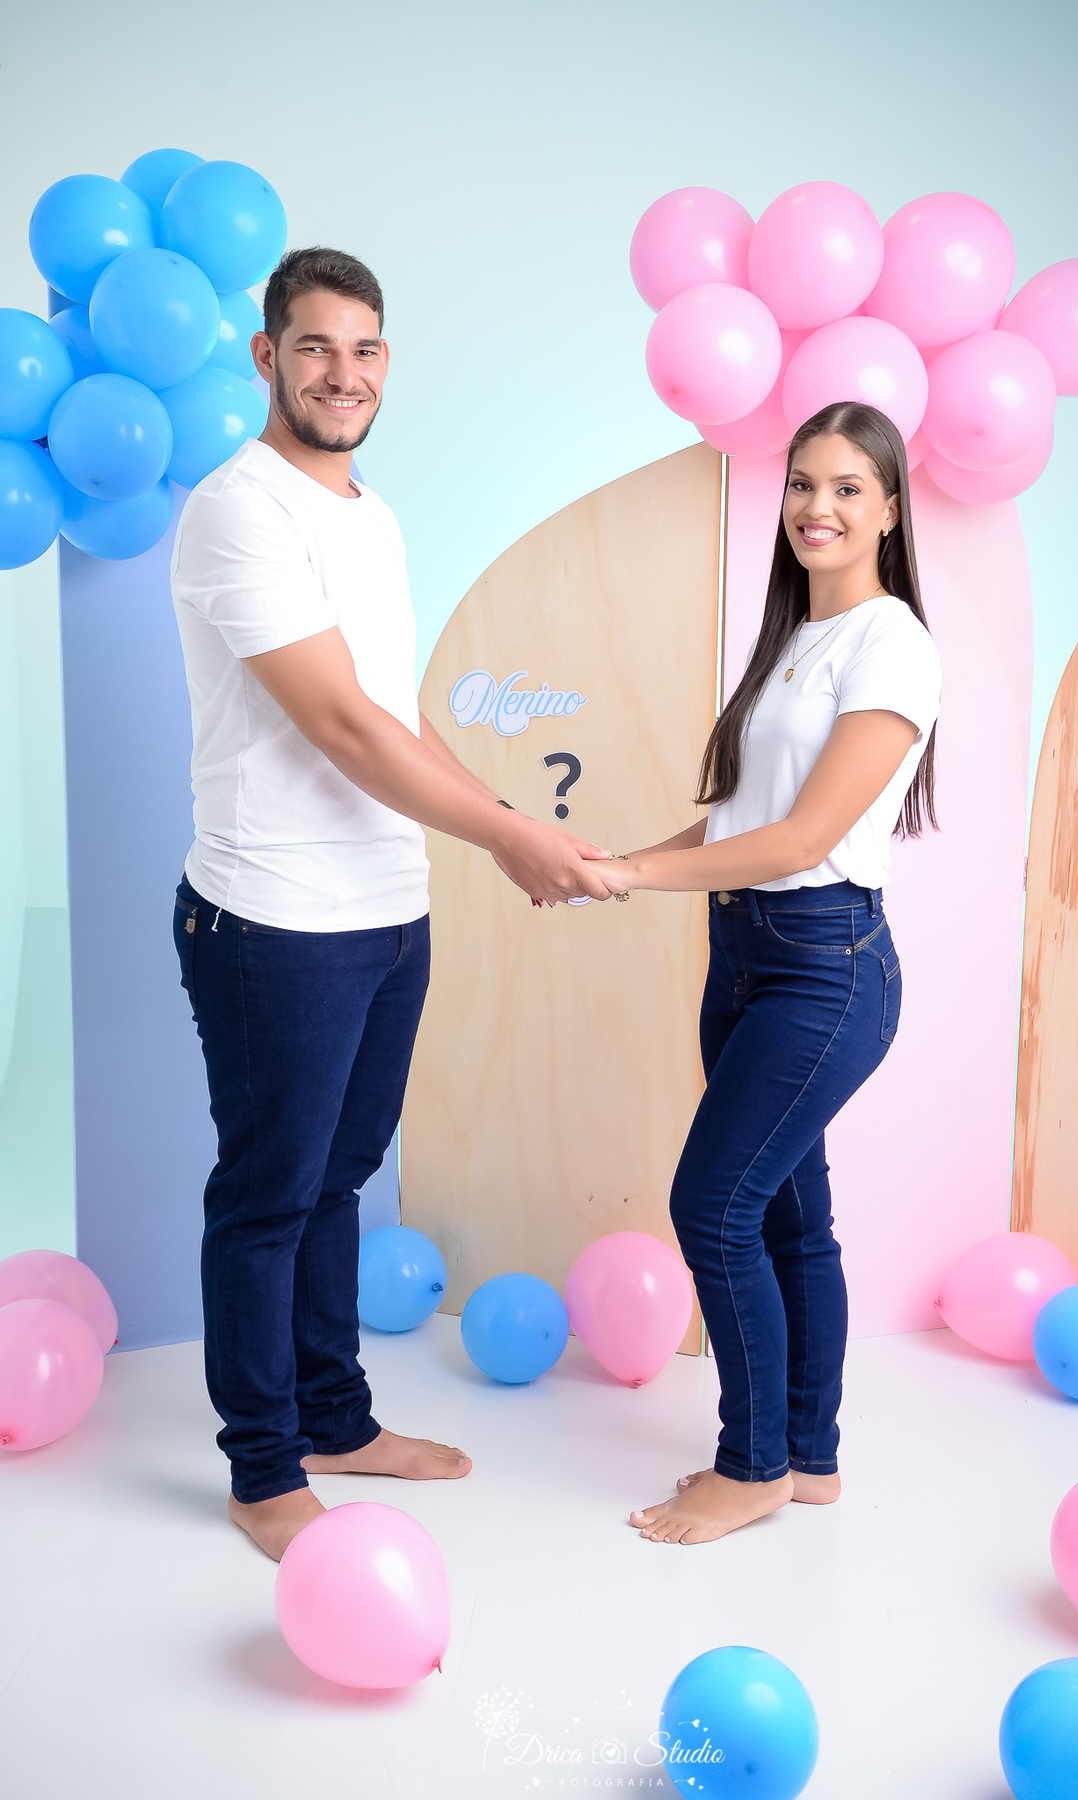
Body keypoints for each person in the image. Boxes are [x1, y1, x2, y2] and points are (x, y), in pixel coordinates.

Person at [170, 246, 612, 1561]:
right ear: (268, 357)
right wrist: (509, 836)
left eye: (364, 349)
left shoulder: (373, 516)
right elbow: (340, 727)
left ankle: (334, 1421)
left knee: (340, 1180)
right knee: (269, 1196)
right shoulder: (239, 512)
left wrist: (497, 828)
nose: (342, 373)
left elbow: (397, 714)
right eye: (315, 347)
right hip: (273, 922)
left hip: (383, 909)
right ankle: (262, 1471)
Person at [594, 402, 942, 1545]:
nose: (816, 507)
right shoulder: (794, 637)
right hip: (743, 956)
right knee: (792, 1218)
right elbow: (741, 821)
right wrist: (611, 866)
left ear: (890, 510)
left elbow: (802, 842)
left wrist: (637, 874)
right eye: (801, 484)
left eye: (847, 487)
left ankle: (750, 1468)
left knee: (714, 1205)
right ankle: (809, 1457)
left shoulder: (892, 643)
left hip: (823, 967)